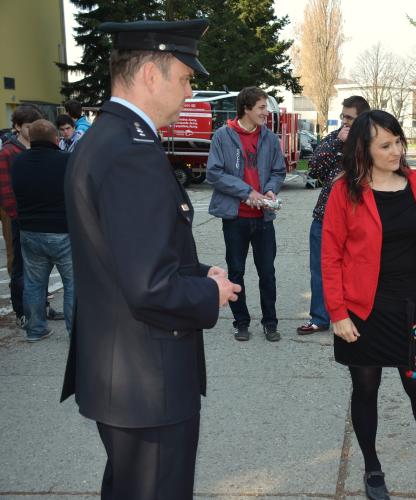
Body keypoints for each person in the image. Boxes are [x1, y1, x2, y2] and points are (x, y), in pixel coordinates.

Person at [60, 19, 241, 500]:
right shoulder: (130, 152)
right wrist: (210, 292)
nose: (189, 91)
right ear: (149, 76)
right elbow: (148, 286)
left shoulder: (106, 139)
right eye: (185, 78)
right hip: (147, 381)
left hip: (124, 377)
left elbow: (123, 253)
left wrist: (199, 272)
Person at [322, 110, 416, 500]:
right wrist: (337, 312)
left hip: (410, 309)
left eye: (398, 141)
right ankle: (372, 468)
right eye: (385, 145)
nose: (396, 150)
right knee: (365, 388)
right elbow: (330, 255)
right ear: (364, 150)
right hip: (362, 311)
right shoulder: (345, 191)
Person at [207, 86, 286, 342]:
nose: (266, 112)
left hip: (263, 220)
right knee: (236, 271)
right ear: (246, 109)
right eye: (262, 107)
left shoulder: (270, 138)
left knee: (267, 272)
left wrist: (271, 190)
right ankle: (241, 322)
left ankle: (270, 323)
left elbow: (278, 171)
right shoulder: (222, 136)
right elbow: (214, 173)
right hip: (235, 218)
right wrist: (247, 192)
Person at [297, 95, 370, 335]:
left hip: (358, 219)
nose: (345, 121)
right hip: (324, 216)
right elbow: (315, 168)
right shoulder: (336, 137)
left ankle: (354, 315)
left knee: (356, 270)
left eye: (350, 117)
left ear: (363, 118)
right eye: (343, 116)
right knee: (319, 268)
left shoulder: (374, 141)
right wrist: (338, 144)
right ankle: (319, 317)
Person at [11, 119, 74, 342]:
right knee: (72, 284)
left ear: (31, 138)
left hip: (29, 230)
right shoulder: (67, 161)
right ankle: (74, 333)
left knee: (34, 284)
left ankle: (35, 329)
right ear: (55, 139)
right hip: (62, 230)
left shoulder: (18, 162)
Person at [0, 104, 43, 327]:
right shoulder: (8, 151)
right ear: (17, 126)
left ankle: (40, 307)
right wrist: (17, 216)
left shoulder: (37, 147)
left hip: (37, 214)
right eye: (28, 126)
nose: (32, 129)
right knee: (18, 264)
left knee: (39, 264)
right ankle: (21, 311)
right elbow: (5, 191)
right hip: (18, 216)